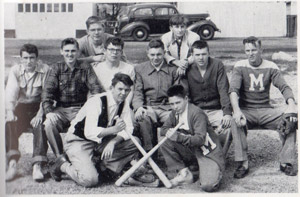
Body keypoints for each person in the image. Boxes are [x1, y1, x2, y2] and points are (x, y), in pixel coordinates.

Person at [49, 73, 143, 187]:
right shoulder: (97, 101)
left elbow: (129, 128)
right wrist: (114, 130)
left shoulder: (124, 103)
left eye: (127, 90)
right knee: (90, 180)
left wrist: (114, 142)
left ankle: (102, 167)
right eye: (120, 89)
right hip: (79, 141)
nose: (123, 93)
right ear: (111, 88)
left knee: (135, 142)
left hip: (100, 142)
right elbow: (89, 132)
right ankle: (62, 165)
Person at [229, 36, 298, 178]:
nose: (250, 53)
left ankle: (286, 161)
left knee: (292, 119)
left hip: (266, 110)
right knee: (234, 120)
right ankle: (243, 163)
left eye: (254, 50)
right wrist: (236, 110)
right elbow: (233, 90)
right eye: (247, 50)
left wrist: (291, 105)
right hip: (247, 110)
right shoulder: (240, 66)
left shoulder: (271, 66)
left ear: (261, 50)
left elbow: (284, 87)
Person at [42, 38, 103, 158]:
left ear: (78, 52)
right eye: (67, 51)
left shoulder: (85, 67)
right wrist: (49, 112)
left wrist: (91, 108)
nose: (70, 54)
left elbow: (96, 89)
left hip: (81, 109)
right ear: (61, 51)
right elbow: (47, 92)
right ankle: (60, 157)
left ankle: (86, 157)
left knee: (91, 125)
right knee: (48, 124)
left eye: (73, 51)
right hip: (61, 110)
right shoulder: (56, 68)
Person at [160, 85, 225, 192]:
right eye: (172, 104)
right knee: (165, 139)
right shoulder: (174, 113)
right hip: (191, 149)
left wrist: (179, 137)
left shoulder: (196, 113)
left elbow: (199, 140)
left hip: (207, 152)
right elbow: (163, 129)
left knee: (208, 186)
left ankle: (203, 170)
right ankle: (183, 171)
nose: (175, 106)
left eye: (178, 102)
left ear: (186, 99)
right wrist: (173, 134)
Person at [5, 44, 49, 182]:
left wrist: (40, 113)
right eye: (25, 58)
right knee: (9, 122)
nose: (28, 62)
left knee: (40, 125)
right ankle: (12, 164)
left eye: (32, 58)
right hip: (22, 106)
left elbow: (47, 95)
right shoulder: (15, 70)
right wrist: (10, 111)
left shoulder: (45, 70)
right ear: (21, 59)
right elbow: (11, 93)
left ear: (37, 59)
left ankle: (37, 165)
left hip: (39, 106)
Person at [181, 40, 232, 154]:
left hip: (215, 109)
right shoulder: (187, 69)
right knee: (188, 129)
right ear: (192, 56)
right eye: (197, 55)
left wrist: (227, 113)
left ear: (209, 53)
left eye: (204, 54)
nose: (201, 58)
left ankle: (219, 156)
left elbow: (224, 90)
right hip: (196, 110)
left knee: (229, 126)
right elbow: (185, 95)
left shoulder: (217, 65)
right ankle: (197, 159)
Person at [132, 39, 179, 154]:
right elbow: (137, 92)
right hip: (149, 106)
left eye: (159, 54)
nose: (155, 58)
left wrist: (175, 109)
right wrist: (139, 107)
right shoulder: (140, 69)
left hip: (168, 107)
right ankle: (150, 154)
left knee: (176, 119)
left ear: (164, 54)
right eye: (152, 55)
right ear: (147, 54)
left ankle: (173, 154)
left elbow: (177, 92)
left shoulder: (173, 70)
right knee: (143, 118)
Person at [92, 37, 135, 102]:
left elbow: (130, 91)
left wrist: (124, 107)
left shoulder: (129, 68)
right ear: (104, 51)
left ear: (121, 52)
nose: (114, 53)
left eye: (118, 50)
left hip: (122, 104)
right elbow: (93, 91)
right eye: (111, 49)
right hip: (101, 103)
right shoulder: (97, 68)